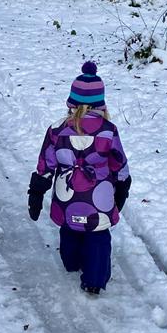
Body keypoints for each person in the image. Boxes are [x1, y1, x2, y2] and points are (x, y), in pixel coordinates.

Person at [28, 61, 131, 295]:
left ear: (72, 101)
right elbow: (118, 162)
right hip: (100, 197)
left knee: (70, 226)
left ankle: (72, 262)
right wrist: (122, 186)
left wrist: (36, 191)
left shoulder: (57, 129)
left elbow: (46, 163)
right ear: (100, 102)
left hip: (68, 194)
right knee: (97, 236)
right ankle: (95, 279)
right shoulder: (108, 130)